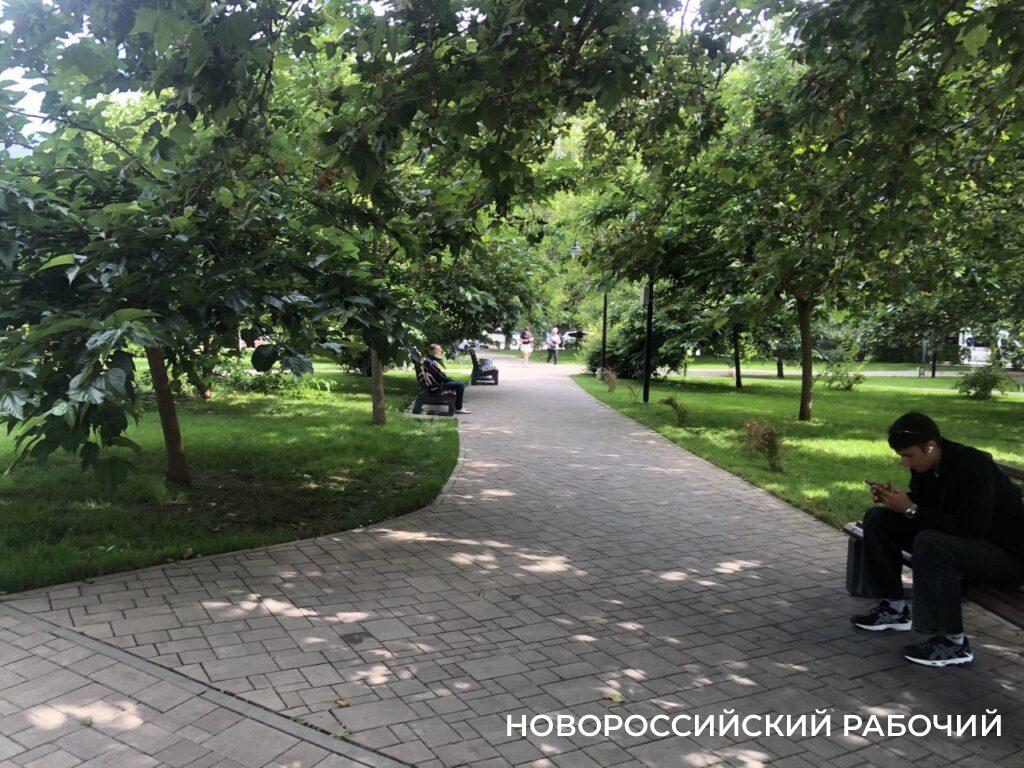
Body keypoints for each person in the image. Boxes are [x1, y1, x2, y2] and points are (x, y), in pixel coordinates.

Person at [850, 412, 1024, 667]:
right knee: (878, 518)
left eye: (908, 455)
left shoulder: (974, 466)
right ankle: (893, 609)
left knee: (930, 543)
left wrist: (911, 509)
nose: (904, 463)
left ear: (930, 446)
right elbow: (928, 505)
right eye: (901, 456)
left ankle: (953, 643)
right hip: (965, 545)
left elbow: (974, 526)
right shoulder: (926, 466)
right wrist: (896, 500)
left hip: (1004, 557)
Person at [422, 343, 470, 414]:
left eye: (440, 350)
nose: (440, 352)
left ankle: (458, 401)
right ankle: (458, 408)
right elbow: (438, 377)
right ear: (433, 351)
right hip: (437, 387)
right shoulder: (429, 362)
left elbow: (438, 375)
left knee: (458, 382)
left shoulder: (430, 361)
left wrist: (446, 378)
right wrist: (447, 379)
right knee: (460, 385)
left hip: (436, 384)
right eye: (438, 350)